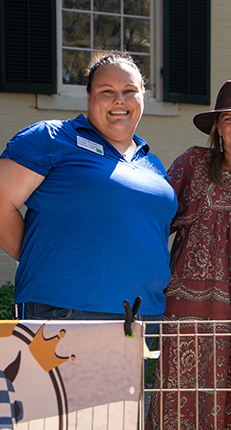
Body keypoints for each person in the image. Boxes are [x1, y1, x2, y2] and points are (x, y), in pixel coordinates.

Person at [0, 51, 178, 336]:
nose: (119, 100)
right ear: (89, 99)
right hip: (66, 312)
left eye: (129, 91)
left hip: (141, 318)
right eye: (107, 91)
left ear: (142, 97)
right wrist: (47, 259)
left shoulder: (152, 163)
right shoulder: (53, 138)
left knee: (127, 385)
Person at [146, 80, 231, 430]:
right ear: (218, 129)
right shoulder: (194, 163)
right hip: (184, 303)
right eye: (229, 119)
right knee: (177, 389)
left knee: (228, 389)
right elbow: (154, 216)